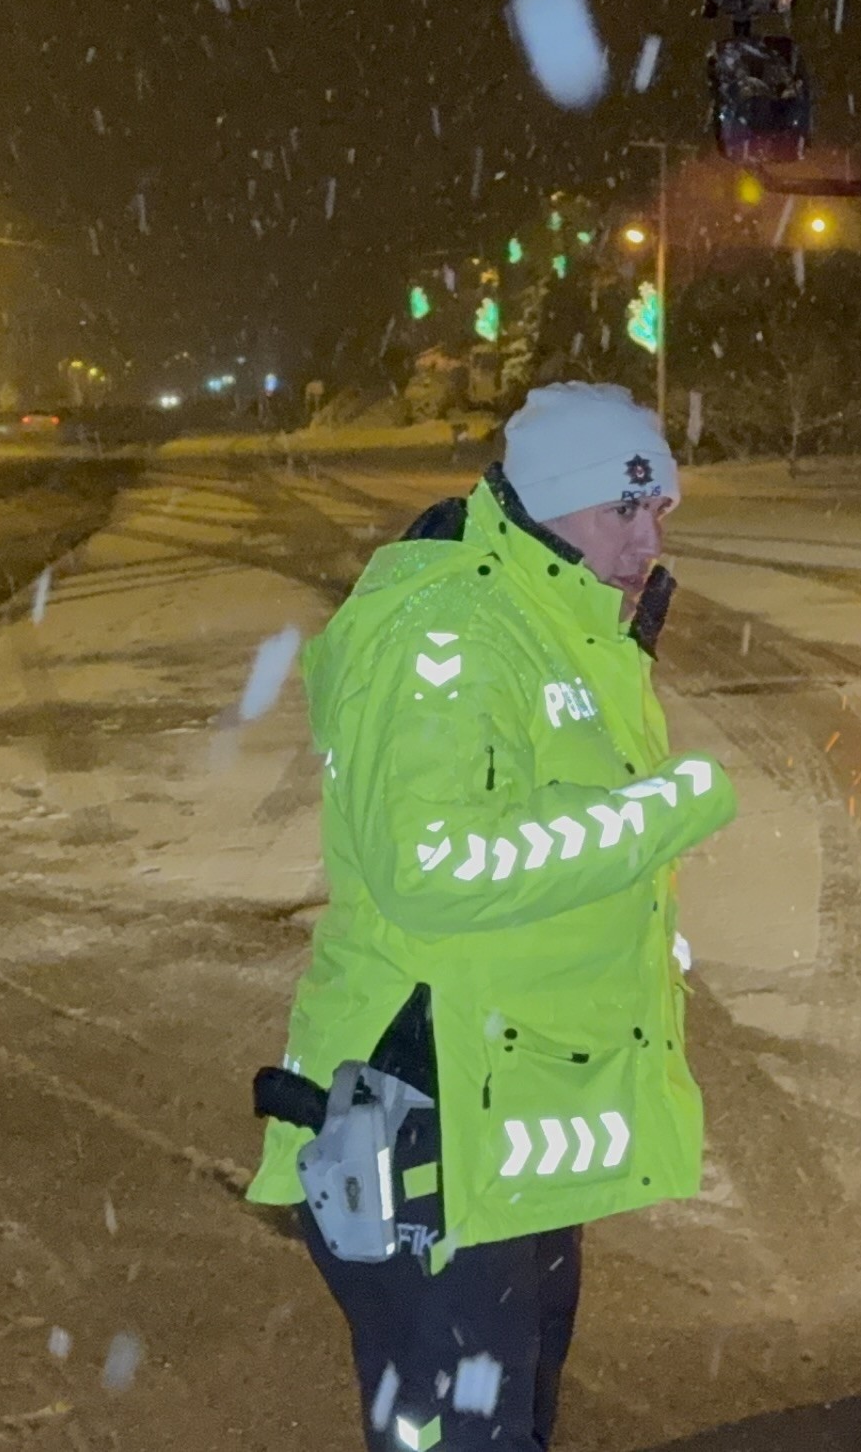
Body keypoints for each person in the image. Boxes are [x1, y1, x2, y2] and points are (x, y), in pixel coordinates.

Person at [250, 382, 737, 1452]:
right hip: (427, 1118)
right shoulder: (450, 634)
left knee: (505, 1416)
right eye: (626, 510)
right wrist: (666, 809)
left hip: (503, 1122)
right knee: (463, 1430)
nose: (647, 537)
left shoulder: (554, 619)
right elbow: (434, 864)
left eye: (659, 512)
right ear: (554, 502)